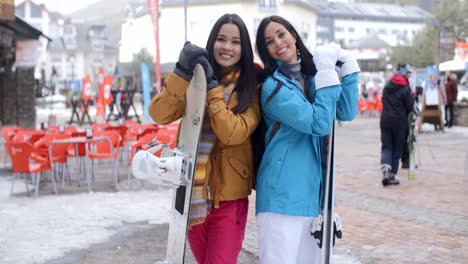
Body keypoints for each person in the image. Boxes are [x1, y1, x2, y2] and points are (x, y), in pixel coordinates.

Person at [148, 14, 260, 264]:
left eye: (235, 41)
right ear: (212, 42)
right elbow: (159, 113)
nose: (227, 47)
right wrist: (181, 71)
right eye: (221, 39)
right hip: (193, 194)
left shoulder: (252, 87)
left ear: (244, 48)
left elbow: (233, 133)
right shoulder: (194, 81)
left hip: (229, 200)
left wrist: (213, 89)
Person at [254, 15, 360, 263]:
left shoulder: (313, 77)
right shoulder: (273, 88)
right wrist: (325, 72)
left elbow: (346, 110)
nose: (278, 42)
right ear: (266, 51)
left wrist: (349, 69)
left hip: (315, 198)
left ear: (293, 33)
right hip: (282, 198)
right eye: (269, 41)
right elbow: (319, 123)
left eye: (281, 34)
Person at [380, 63, 414, 186]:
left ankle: (385, 169)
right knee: (397, 147)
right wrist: (413, 97)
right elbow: (410, 107)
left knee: (386, 146)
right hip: (399, 121)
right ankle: (392, 174)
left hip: (385, 119)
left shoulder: (387, 86)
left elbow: (382, 100)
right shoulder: (405, 88)